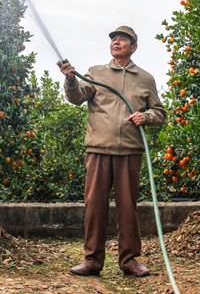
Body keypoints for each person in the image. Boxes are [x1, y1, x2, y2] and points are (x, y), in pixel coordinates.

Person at [58, 25, 166, 278]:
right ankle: (92, 260)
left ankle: (129, 261)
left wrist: (146, 115)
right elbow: (76, 98)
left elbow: (160, 112)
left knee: (128, 207)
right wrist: (71, 79)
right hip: (99, 149)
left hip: (130, 151)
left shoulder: (146, 78)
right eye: (114, 39)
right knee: (94, 205)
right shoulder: (97, 72)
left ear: (134, 47)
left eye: (123, 39)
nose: (116, 42)